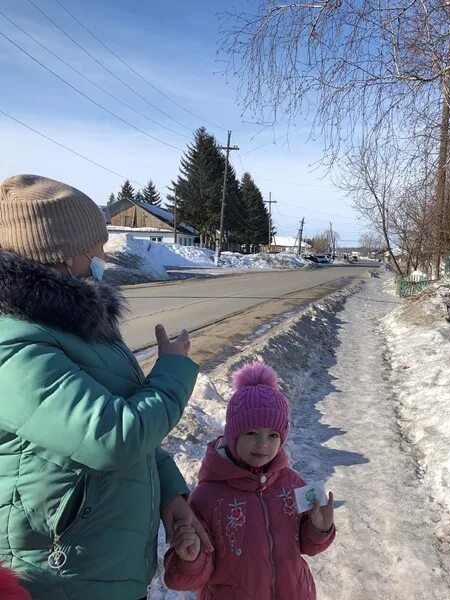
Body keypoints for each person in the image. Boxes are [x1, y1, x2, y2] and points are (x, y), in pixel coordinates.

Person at [0, 174, 210, 599]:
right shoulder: (12, 341)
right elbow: (111, 436)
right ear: (63, 256)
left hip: (101, 569)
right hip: (53, 578)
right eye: (96, 248)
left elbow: (138, 440)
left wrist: (171, 495)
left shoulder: (82, 326)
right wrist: (171, 371)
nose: (104, 257)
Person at [164, 362, 335, 600]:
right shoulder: (208, 496)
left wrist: (319, 529)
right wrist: (191, 558)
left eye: (273, 435)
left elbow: (305, 545)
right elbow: (191, 574)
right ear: (233, 435)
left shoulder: (291, 483)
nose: (263, 444)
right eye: (252, 433)